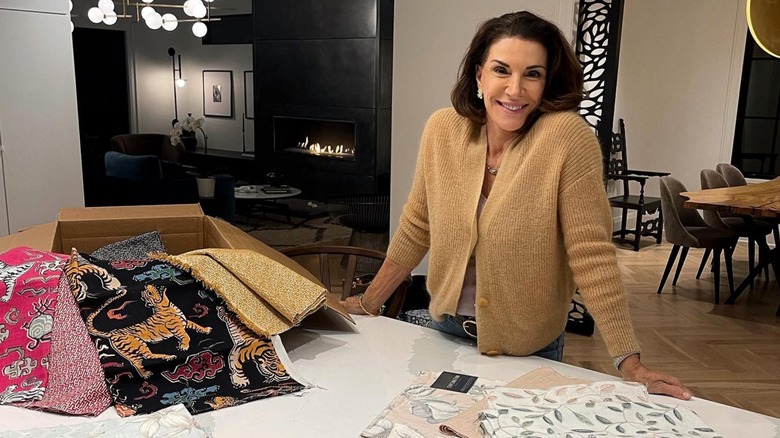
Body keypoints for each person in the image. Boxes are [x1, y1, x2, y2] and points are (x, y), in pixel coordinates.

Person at [342, 11, 691, 400]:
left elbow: (590, 254)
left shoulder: (566, 139)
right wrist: (370, 302)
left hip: (529, 353)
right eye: (502, 70)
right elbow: (416, 226)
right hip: (442, 334)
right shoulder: (443, 130)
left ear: (547, 83)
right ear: (479, 76)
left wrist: (630, 363)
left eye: (532, 74)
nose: (515, 89)